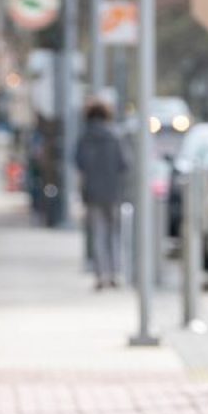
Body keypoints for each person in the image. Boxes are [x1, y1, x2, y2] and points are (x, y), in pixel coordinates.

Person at [74, 101, 131, 288]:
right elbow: (124, 164)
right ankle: (115, 273)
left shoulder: (84, 138)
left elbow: (78, 163)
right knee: (114, 233)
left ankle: (100, 275)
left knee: (98, 233)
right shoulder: (114, 137)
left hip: (92, 193)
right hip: (113, 192)